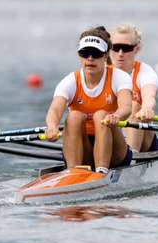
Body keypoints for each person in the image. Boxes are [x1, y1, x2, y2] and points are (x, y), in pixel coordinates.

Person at [44, 26, 133, 173]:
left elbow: (126, 107)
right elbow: (55, 109)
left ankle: (102, 171)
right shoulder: (70, 81)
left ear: (105, 56)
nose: (90, 58)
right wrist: (52, 126)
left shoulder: (119, 77)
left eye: (96, 53)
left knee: (101, 116)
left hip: (115, 151)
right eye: (85, 53)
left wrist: (116, 116)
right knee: (73, 116)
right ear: (80, 56)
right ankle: (73, 173)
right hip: (82, 146)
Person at [109, 23, 158, 152]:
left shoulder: (145, 72)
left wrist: (147, 108)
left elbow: (149, 96)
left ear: (136, 49)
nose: (120, 53)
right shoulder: (100, 71)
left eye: (126, 48)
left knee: (134, 106)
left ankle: (131, 160)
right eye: (115, 47)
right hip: (111, 136)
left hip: (143, 141)